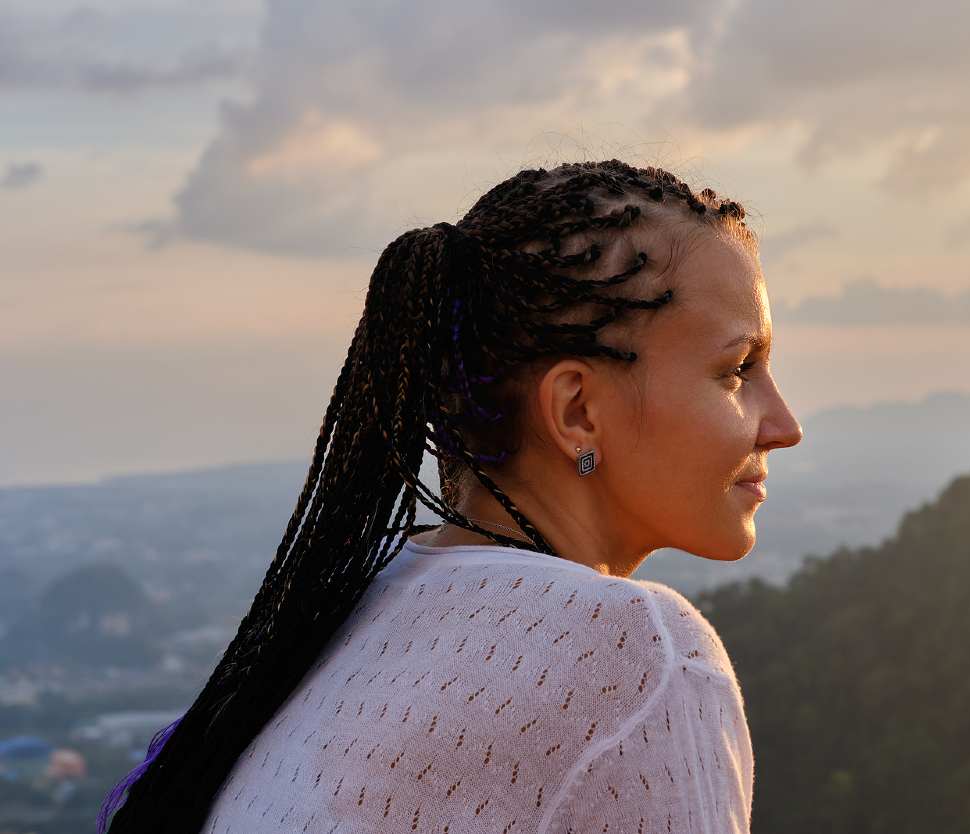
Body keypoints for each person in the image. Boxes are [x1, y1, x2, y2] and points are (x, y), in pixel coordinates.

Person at [98, 159, 802, 833]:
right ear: (578, 412)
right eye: (738, 369)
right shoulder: (640, 655)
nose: (785, 426)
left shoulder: (365, 603)